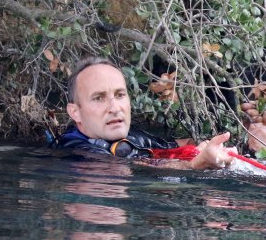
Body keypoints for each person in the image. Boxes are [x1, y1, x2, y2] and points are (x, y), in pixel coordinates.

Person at [54, 57, 234, 170]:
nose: (115, 107)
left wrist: (202, 147)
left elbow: (173, 145)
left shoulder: (133, 139)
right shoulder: (73, 149)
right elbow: (117, 169)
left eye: (119, 95)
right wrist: (195, 164)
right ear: (75, 112)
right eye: (99, 98)